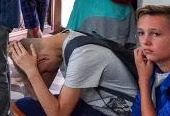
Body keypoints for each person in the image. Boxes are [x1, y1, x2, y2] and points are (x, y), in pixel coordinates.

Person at [9, 30, 138, 115]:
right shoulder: (65, 37)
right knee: (25, 105)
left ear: (43, 59)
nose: (43, 75)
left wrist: (32, 72)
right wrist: (28, 71)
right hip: (93, 104)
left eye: (42, 71)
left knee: (30, 108)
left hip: (120, 112)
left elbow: (58, 114)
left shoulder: (81, 55)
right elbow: (37, 97)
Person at [132, 5, 170, 115]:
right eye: (141, 33)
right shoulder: (150, 70)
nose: (145, 41)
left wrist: (143, 81)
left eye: (155, 34)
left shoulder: (145, 75)